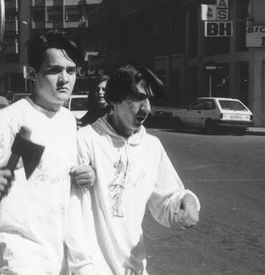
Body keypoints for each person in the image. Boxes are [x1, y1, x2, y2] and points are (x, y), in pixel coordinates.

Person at [0, 30, 96, 275]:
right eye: (54, 70)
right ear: (33, 74)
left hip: (58, 257)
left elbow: (60, 174)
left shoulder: (67, 120)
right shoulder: (11, 120)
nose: (65, 79)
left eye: (71, 70)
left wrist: (84, 175)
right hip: (19, 257)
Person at [73, 64, 200, 275]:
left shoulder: (151, 147)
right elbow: (71, 214)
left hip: (134, 268)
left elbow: (166, 204)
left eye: (148, 100)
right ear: (114, 100)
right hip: (91, 268)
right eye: (137, 99)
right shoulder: (86, 140)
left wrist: (186, 202)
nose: (146, 108)